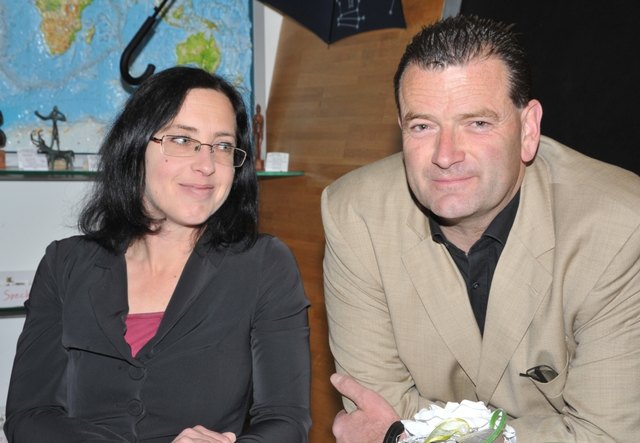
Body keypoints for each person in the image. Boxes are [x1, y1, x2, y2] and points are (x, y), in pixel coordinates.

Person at [321, 15, 640, 442]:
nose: (445, 155)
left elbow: (605, 435)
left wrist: (400, 437)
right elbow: (375, 408)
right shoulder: (355, 215)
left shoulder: (619, 226)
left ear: (528, 130)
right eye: (422, 126)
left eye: (477, 123)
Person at [5, 66, 311, 442]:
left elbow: (286, 421)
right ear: (135, 148)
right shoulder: (65, 264)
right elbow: (29, 417)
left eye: (222, 146)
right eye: (182, 140)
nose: (207, 165)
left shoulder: (264, 264)